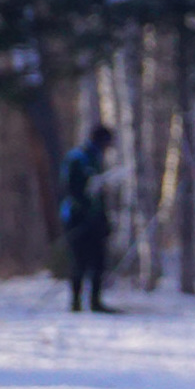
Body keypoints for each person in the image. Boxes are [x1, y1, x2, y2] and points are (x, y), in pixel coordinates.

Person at [61, 125, 117, 313]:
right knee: (79, 260)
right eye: (107, 143)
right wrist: (83, 205)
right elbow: (69, 187)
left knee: (99, 260)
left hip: (96, 217)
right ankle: (75, 302)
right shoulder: (77, 157)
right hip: (77, 217)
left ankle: (95, 301)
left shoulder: (97, 157)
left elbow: (99, 194)